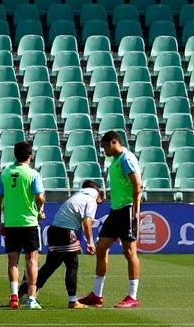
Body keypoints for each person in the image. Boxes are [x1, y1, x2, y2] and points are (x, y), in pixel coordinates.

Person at [78, 130, 142, 309]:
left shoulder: (126, 159)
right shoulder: (114, 162)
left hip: (127, 209)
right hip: (116, 211)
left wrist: (136, 210)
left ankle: (132, 296)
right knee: (101, 247)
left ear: (114, 142)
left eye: (105, 146)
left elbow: (137, 185)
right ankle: (97, 295)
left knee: (130, 253)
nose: (104, 150)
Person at [0, 141, 46, 310]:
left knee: (12, 262)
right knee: (32, 260)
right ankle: (31, 298)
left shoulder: (5, 174)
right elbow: (39, 197)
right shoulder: (33, 174)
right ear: (30, 156)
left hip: (11, 222)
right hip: (29, 222)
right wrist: (40, 209)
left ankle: (14, 295)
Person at [35, 180, 101, 308]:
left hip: (54, 229)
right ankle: (72, 300)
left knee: (51, 264)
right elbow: (87, 222)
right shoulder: (90, 201)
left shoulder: (77, 196)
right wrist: (90, 242)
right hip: (66, 231)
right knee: (72, 264)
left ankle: (29, 292)